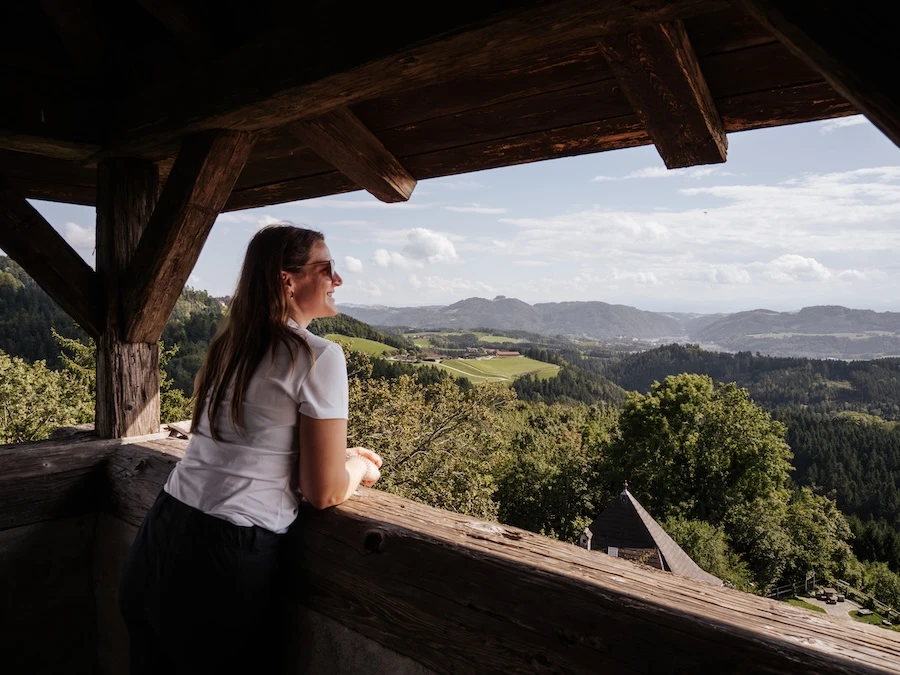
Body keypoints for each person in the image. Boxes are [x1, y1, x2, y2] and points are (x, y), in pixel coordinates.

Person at [119, 224, 382, 674]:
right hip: (223, 558)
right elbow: (322, 492)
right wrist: (358, 464)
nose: (337, 279)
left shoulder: (231, 347)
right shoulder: (318, 356)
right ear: (288, 279)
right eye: (327, 268)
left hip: (162, 531)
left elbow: (256, 444)